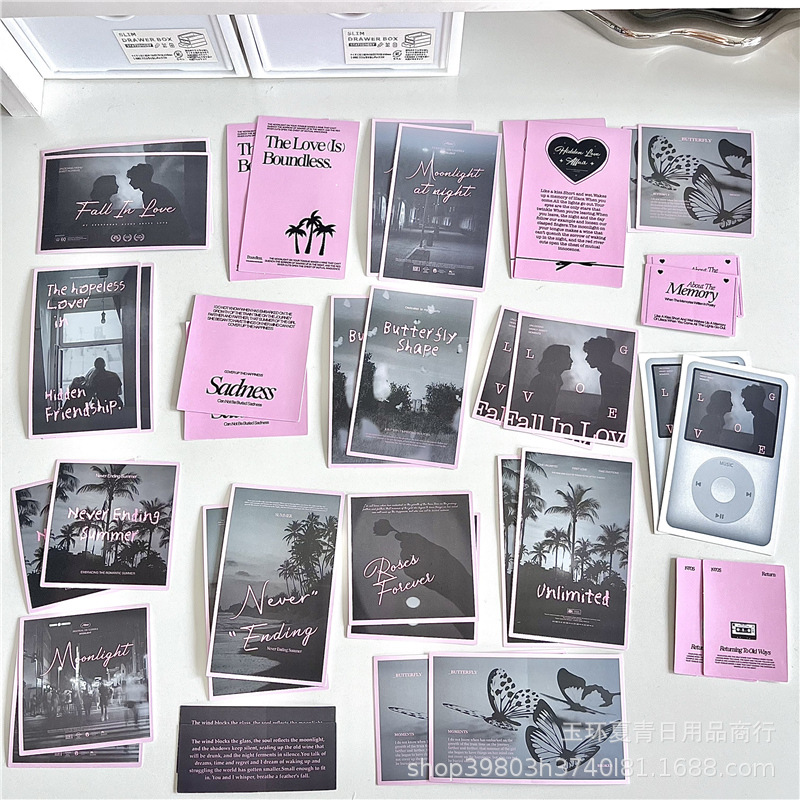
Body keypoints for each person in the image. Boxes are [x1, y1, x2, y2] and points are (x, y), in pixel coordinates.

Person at [126, 162, 189, 242]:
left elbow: (152, 219)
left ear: (140, 178)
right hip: (176, 230)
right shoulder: (153, 189)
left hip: (175, 233)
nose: (130, 182)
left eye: (132, 178)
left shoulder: (150, 192)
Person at [582, 336, 631, 430]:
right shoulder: (611, 373)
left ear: (599, 355)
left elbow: (611, 407)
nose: (586, 358)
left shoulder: (610, 375)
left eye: (590, 354)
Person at [525, 344, 572, 421]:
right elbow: (539, 411)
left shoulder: (556, 380)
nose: (571, 361)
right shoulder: (543, 380)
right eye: (567, 357)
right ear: (556, 359)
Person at [741, 383, 777, 454]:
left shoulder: (760, 418)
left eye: (746, 399)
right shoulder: (764, 416)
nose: (743, 403)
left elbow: (758, 444)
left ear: (753, 400)